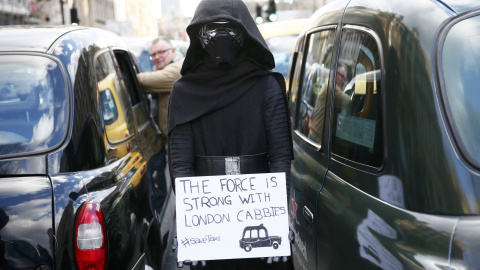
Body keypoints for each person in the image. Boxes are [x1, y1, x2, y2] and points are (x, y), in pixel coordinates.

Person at [167, 0, 293, 269]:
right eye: (211, 30)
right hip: (209, 221)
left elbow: (281, 156)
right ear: (197, 35)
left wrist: (278, 222)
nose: (219, 37)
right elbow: (180, 165)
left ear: (244, 33)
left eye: (229, 29)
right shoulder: (184, 92)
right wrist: (192, 229)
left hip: (260, 214)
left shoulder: (267, 86)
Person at [137, 37, 184, 213]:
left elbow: (151, 81)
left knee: (182, 184)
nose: (157, 57)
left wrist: (123, 77)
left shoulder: (179, 67)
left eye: (161, 52)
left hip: (183, 139)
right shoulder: (163, 68)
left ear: (172, 51)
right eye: (153, 54)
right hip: (171, 138)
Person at [309, 63, 350, 143]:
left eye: (344, 78)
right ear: (334, 73)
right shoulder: (331, 87)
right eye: (341, 76)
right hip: (316, 139)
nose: (343, 80)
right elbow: (348, 101)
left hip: (316, 137)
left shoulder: (331, 86)